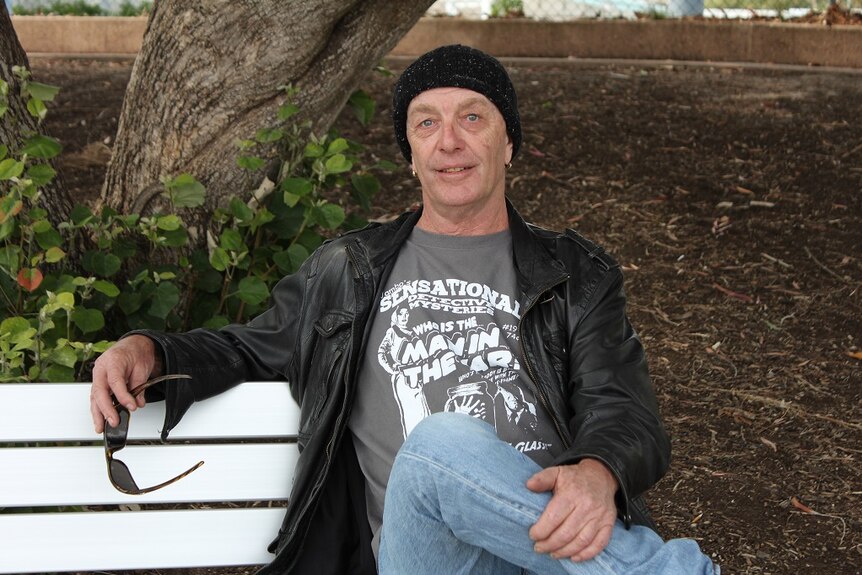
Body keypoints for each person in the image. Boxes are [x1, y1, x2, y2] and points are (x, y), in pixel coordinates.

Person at [90, 44, 718, 575]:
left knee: (452, 447)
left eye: (473, 118)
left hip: (553, 551)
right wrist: (151, 349)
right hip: (423, 558)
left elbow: (625, 410)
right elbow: (244, 347)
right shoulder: (349, 272)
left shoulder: (575, 274)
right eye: (426, 124)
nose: (449, 141)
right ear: (410, 154)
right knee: (439, 443)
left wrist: (597, 467)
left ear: (508, 145)